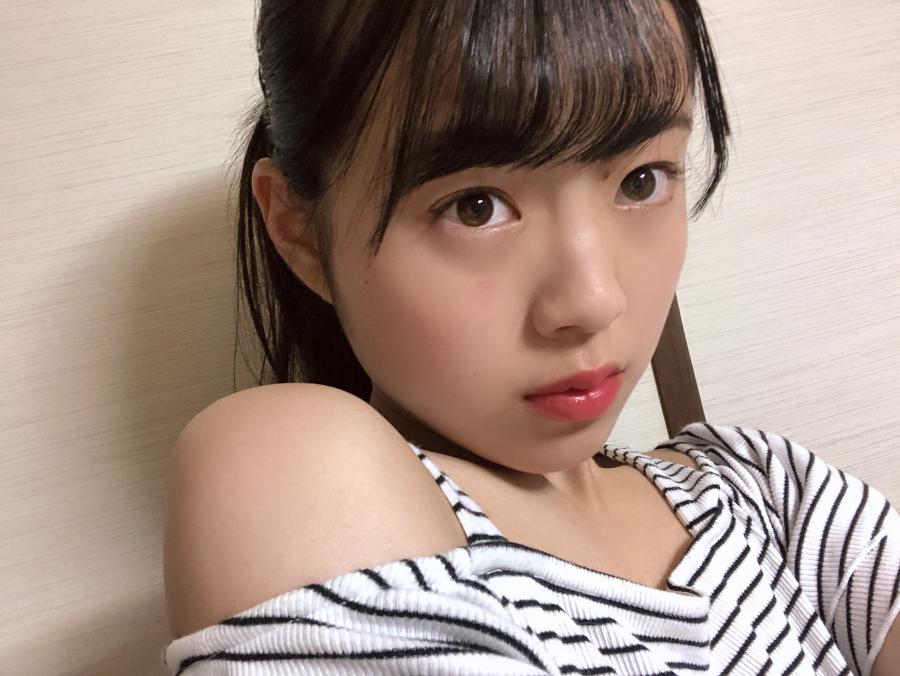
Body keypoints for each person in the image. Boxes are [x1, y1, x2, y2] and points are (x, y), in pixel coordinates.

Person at [161, 1, 900, 674]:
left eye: (642, 180)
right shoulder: (290, 472)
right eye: (475, 206)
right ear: (301, 232)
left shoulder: (768, 491)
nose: (593, 301)